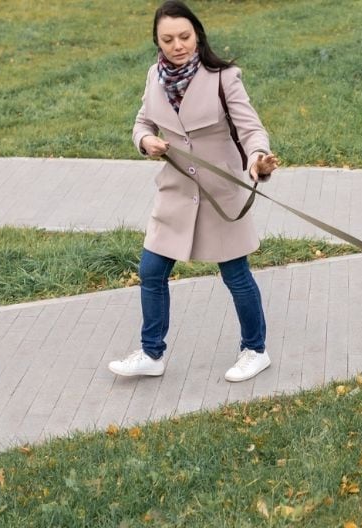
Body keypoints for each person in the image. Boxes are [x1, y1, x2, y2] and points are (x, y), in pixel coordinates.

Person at [108, 0, 280, 382]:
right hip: (175, 194)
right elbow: (142, 122)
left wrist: (258, 158)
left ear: (197, 35)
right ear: (157, 40)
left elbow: (251, 129)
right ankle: (152, 354)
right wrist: (145, 141)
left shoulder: (224, 77)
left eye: (184, 36)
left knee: (236, 275)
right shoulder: (155, 76)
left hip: (220, 197)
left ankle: (255, 350)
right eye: (167, 39)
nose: (177, 45)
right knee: (151, 271)